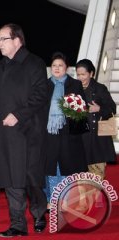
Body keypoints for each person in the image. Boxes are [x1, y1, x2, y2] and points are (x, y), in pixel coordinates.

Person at [0, 23, 48, 237]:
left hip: (28, 132)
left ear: (17, 40)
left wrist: (19, 115)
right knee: (11, 180)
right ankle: (18, 224)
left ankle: (39, 213)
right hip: (4, 134)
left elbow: (40, 95)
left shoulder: (34, 63)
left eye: (3, 39)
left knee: (30, 178)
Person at [43, 52, 88, 211]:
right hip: (49, 135)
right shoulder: (45, 85)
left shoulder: (75, 85)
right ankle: (53, 200)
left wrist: (73, 113)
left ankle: (67, 201)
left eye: (60, 65)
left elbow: (83, 110)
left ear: (66, 68)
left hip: (68, 135)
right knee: (51, 168)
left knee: (67, 167)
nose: (56, 68)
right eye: (54, 65)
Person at [76, 59, 116, 178]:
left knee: (96, 180)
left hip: (98, 141)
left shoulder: (100, 88)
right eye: (78, 74)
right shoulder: (73, 89)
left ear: (91, 73)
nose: (80, 78)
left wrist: (99, 109)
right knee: (80, 181)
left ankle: (94, 196)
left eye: (83, 74)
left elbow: (112, 108)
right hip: (80, 141)